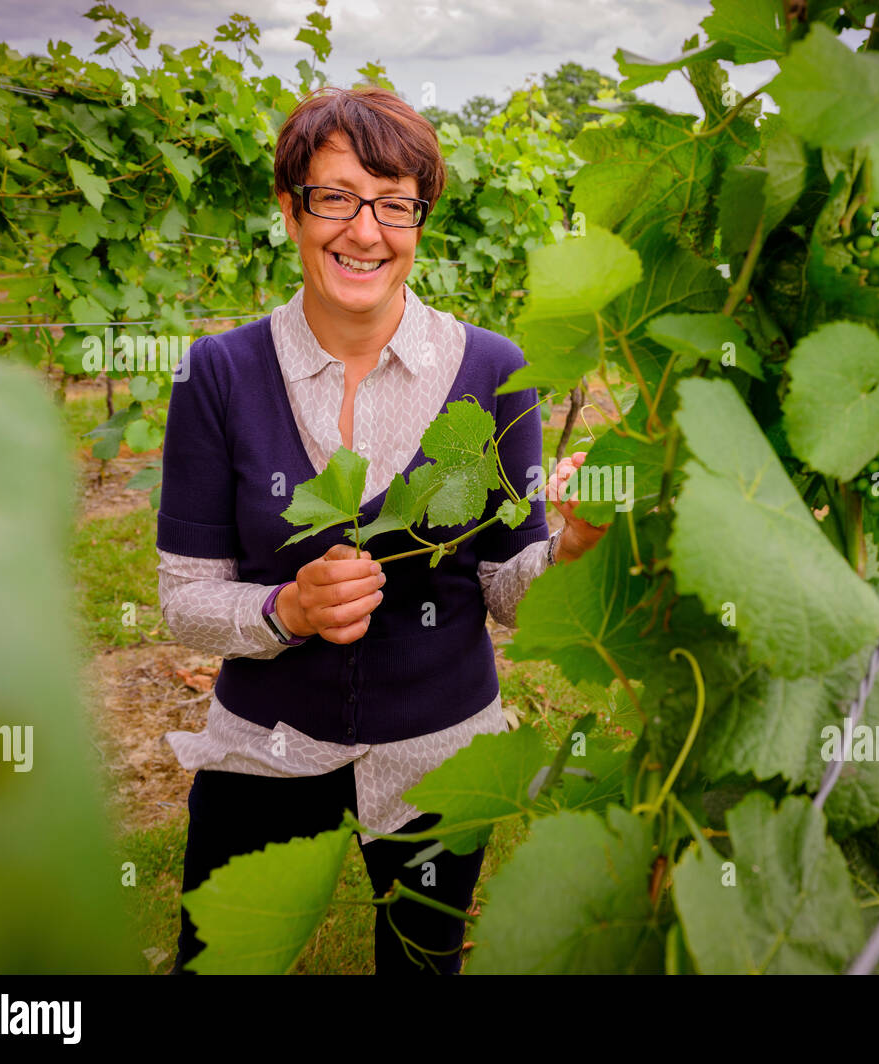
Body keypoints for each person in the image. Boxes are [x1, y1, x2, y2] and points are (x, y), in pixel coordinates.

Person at [156, 86, 607, 975]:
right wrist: (286, 607)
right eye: (335, 197)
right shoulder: (217, 372)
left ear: (419, 223)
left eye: (394, 204)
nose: (365, 231)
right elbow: (184, 604)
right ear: (291, 210)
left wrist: (577, 546)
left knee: (424, 960)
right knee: (218, 961)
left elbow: (510, 595)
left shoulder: (494, 370)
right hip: (266, 751)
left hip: (443, 754)